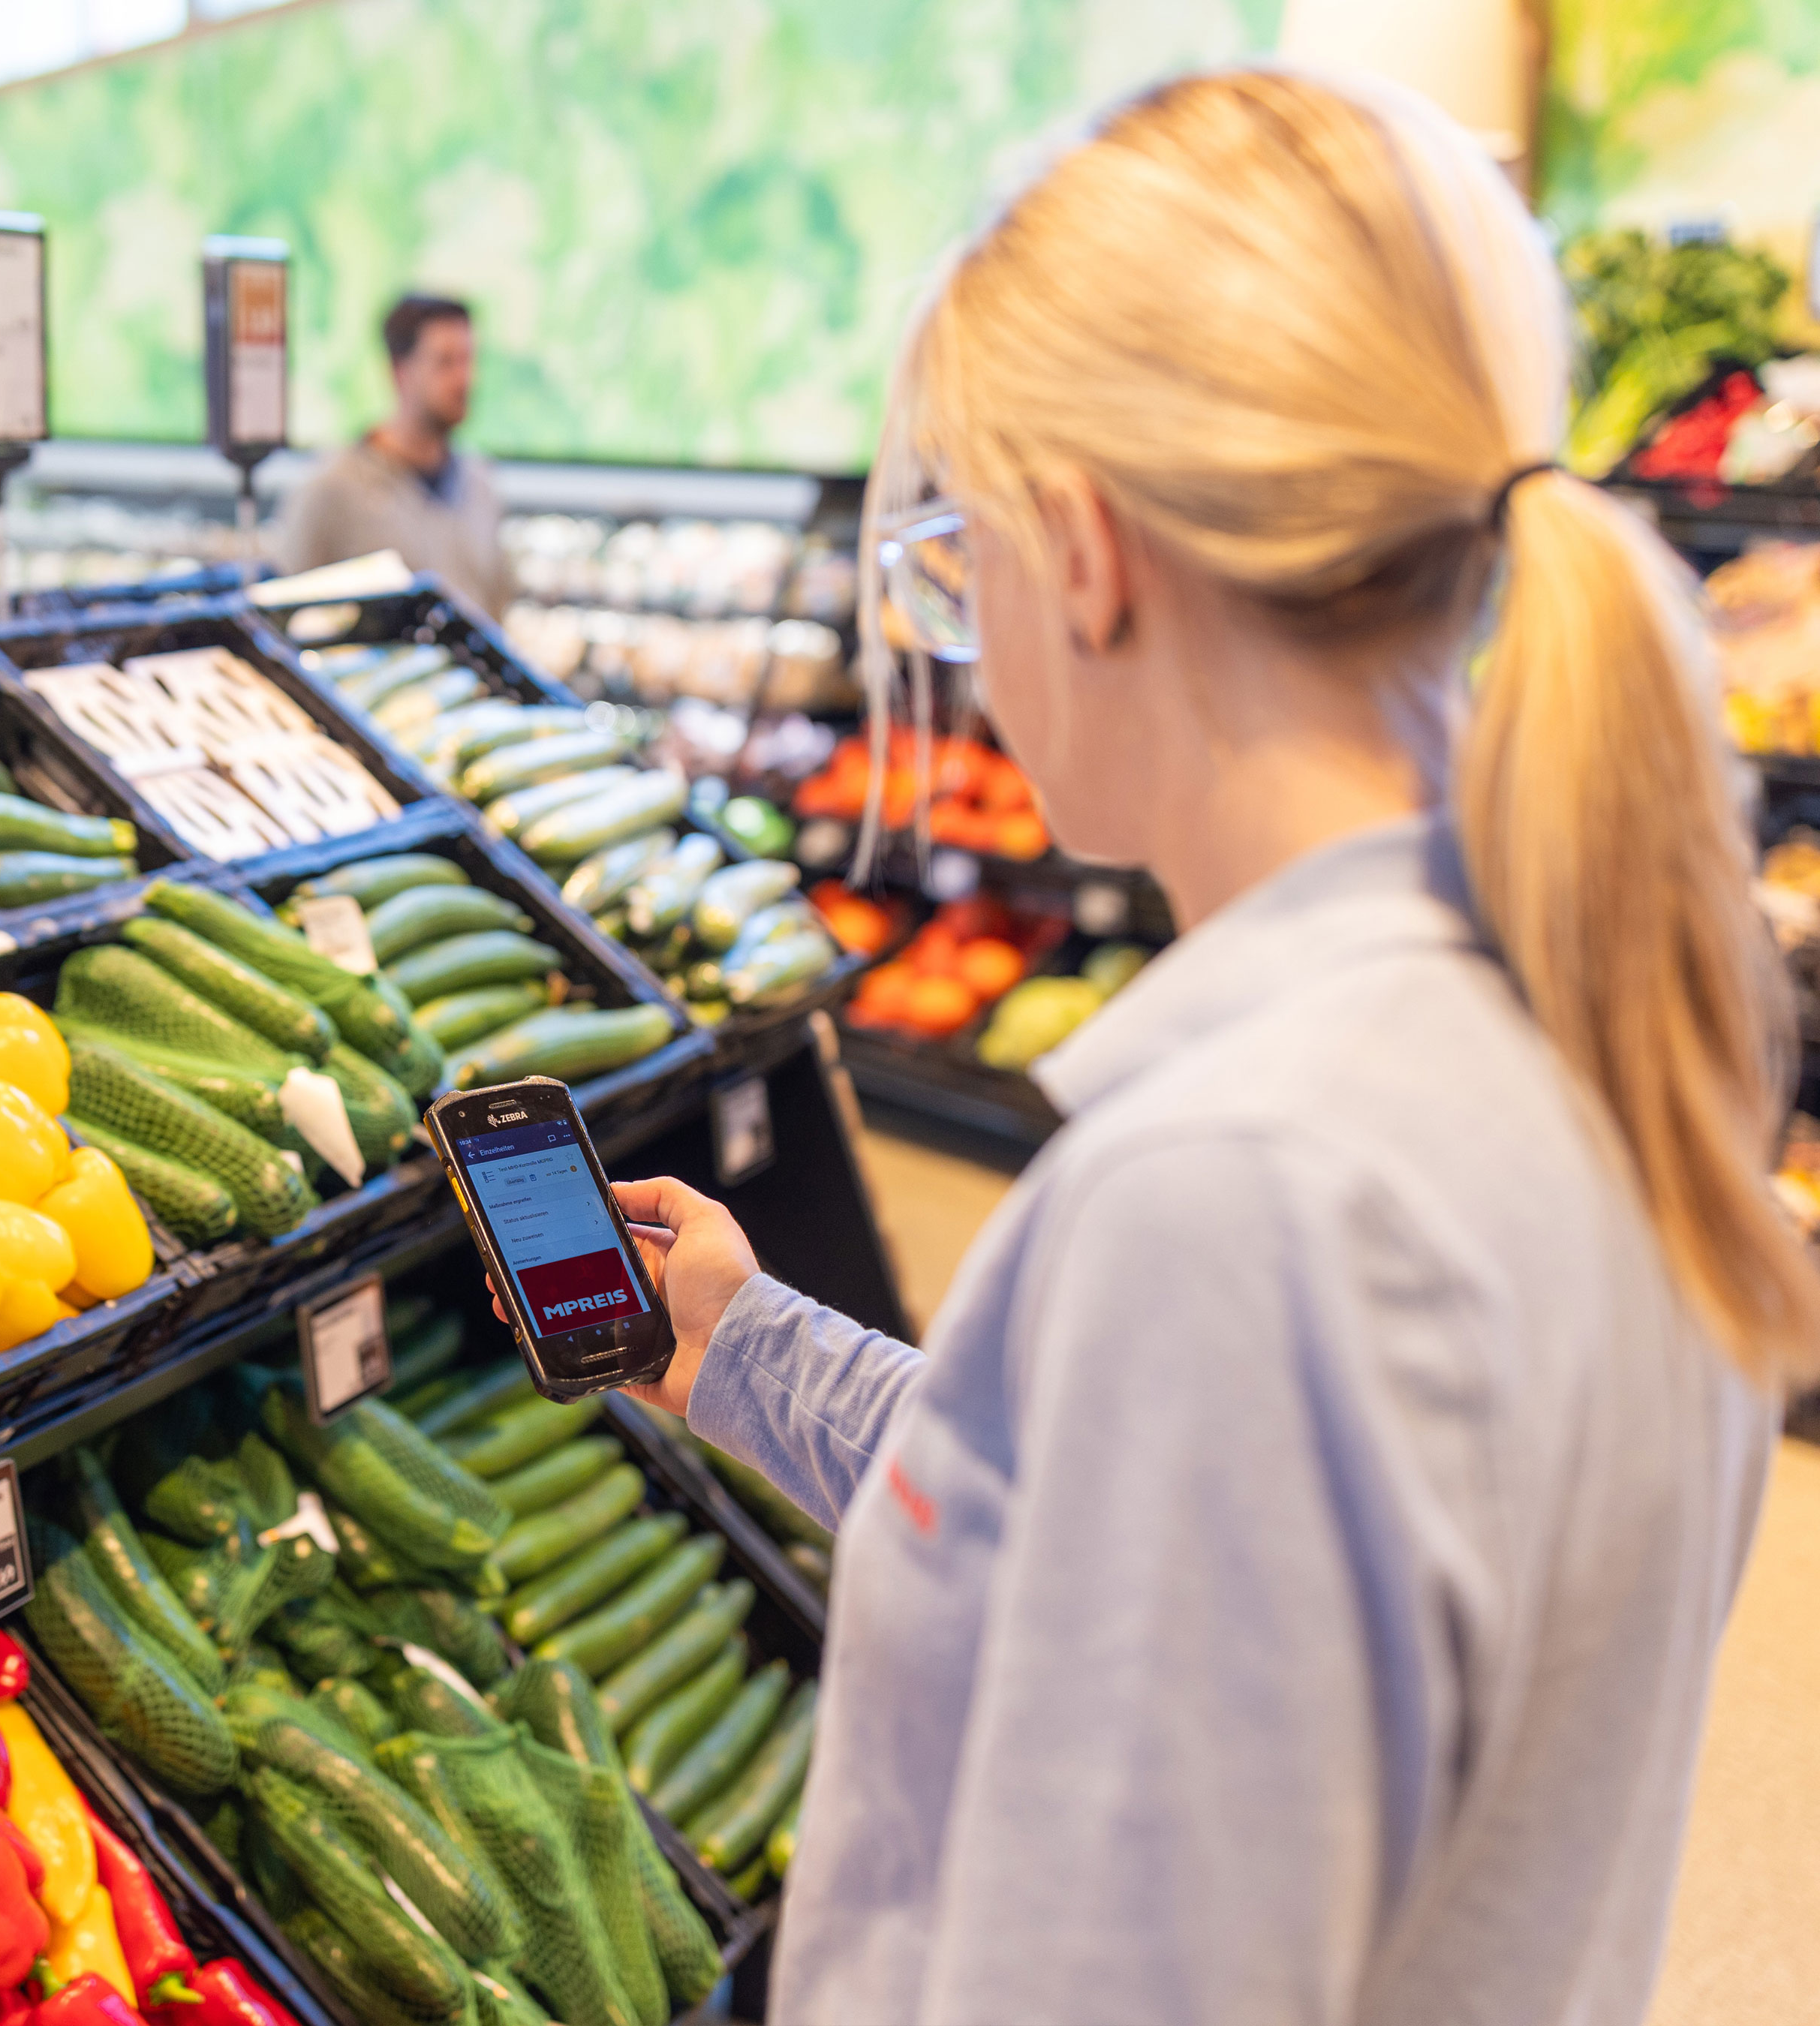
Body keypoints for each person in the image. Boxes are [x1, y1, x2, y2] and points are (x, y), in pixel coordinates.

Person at [582, 70, 1820, 2024]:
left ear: (1079, 552)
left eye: (955, 555)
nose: (963, 629)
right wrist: (752, 1346)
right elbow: (1132, 1545)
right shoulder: (1581, 1037)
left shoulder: (1240, 1203)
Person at [276, 294, 512, 612]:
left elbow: (498, 608)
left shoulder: (480, 483)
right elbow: (286, 613)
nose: (464, 379)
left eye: (467, 359)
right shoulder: (333, 489)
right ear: (400, 372)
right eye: (445, 362)